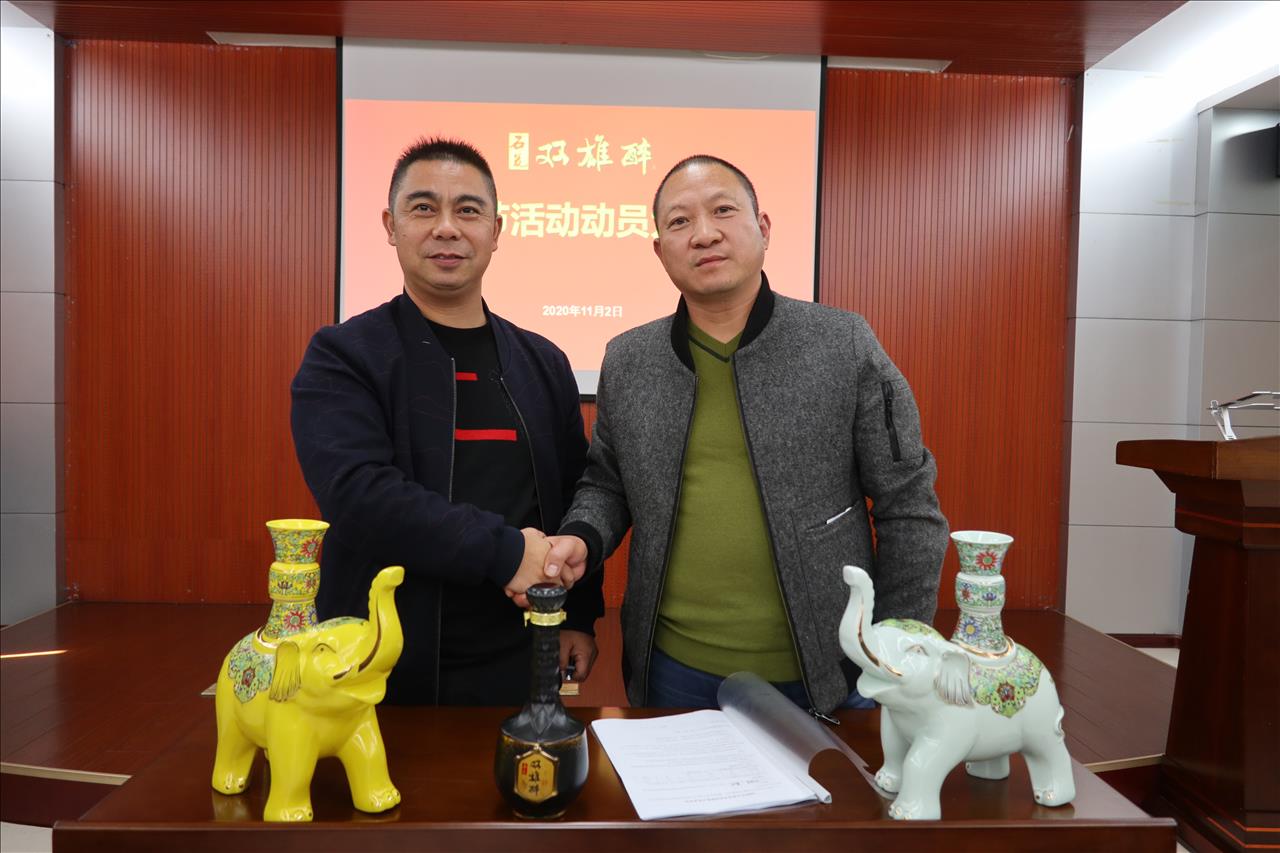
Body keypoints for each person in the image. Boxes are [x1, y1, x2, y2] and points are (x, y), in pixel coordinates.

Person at [546, 155, 948, 716]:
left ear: (762, 228)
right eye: (680, 221)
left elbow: (909, 506)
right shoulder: (629, 358)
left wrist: (897, 647)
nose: (704, 234)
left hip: (833, 669)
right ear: (660, 251)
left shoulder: (842, 344)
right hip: (673, 668)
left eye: (723, 211)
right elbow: (608, 484)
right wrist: (581, 537)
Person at [290, 138, 602, 706]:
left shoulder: (542, 361)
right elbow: (359, 494)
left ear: (496, 230)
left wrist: (578, 614)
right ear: (391, 225)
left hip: (520, 655)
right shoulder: (345, 354)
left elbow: (572, 492)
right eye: (423, 207)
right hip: (380, 659)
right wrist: (506, 553)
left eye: (468, 210)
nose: (447, 228)